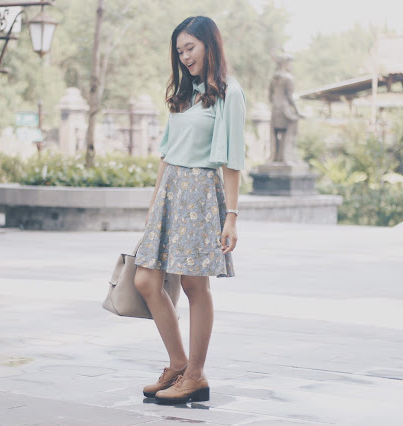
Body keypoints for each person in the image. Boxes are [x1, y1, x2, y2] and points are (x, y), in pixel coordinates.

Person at [133, 15, 245, 405]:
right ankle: (178, 363)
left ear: (209, 45)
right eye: (179, 51)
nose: (184, 57)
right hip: (170, 192)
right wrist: (153, 210)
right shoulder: (185, 93)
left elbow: (232, 160)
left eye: (190, 48)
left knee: (195, 286)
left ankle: (195, 375)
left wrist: (231, 216)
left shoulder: (229, 93)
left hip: (200, 193)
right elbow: (166, 155)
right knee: (145, 280)